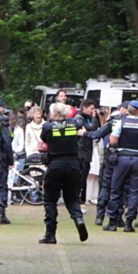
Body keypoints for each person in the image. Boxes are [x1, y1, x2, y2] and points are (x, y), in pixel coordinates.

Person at [38, 102, 88, 244]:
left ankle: (50, 233)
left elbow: (44, 139)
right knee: (72, 197)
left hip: (55, 164)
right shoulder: (74, 124)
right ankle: (78, 219)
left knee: (50, 199)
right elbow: (81, 124)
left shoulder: (48, 126)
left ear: (54, 113)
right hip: (73, 165)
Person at [104, 100, 138, 232]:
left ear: (128, 110)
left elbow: (113, 141)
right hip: (137, 161)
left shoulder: (121, 122)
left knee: (116, 190)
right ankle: (129, 223)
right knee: (134, 192)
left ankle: (112, 222)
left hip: (122, 159)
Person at [87, 102, 128, 226]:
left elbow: (97, 134)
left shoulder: (114, 121)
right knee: (121, 189)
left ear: (124, 109)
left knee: (105, 187)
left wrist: (84, 133)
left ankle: (99, 217)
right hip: (126, 159)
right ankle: (118, 217)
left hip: (112, 157)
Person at [77, 99, 101, 204]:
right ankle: (76, 197)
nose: (93, 111)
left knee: (84, 175)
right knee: (81, 176)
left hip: (86, 151)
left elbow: (96, 130)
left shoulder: (88, 118)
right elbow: (93, 128)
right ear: (84, 108)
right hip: (81, 152)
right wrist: (95, 117)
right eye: (91, 109)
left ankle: (82, 197)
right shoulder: (79, 119)